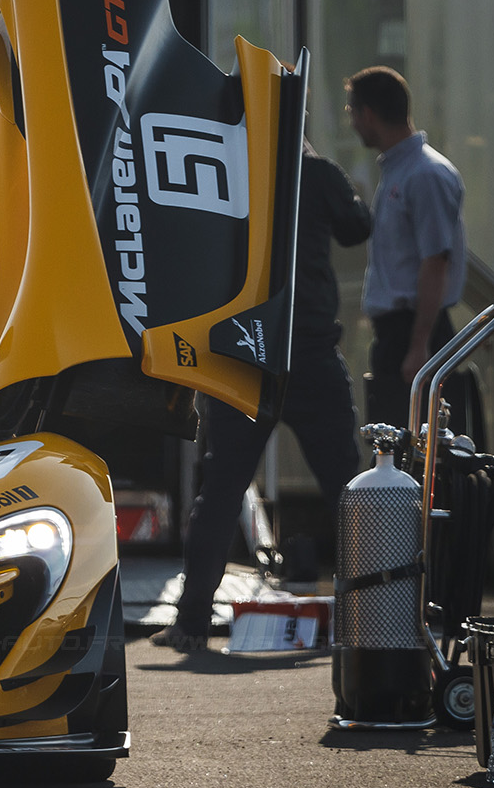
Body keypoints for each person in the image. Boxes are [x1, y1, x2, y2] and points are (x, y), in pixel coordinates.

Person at [152, 141, 371, 652]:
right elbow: (359, 227)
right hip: (311, 351)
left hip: (245, 351)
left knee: (222, 490)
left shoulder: (226, 169)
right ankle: (378, 617)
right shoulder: (317, 173)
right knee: (351, 491)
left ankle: (190, 625)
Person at [344, 65, 468, 430]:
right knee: (394, 448)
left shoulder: (425, 174)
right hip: (399, 335)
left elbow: (435, 262)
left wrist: (419, 346)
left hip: (414, 333)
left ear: (368, 114)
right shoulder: (400, 171)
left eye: (352, 112)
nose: (352, 124)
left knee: (415, 451)